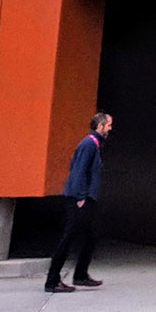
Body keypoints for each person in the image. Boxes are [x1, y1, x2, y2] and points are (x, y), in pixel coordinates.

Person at [45, 112, 111, 294]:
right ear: (100, 127)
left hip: (86, 198)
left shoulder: (94, 145)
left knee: (93, 234)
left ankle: (80, 275)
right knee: (68, 238)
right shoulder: (89, 144)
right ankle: (52, 281)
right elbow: (78, 172)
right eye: (108, 125)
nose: (110, 128)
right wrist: (81, 197)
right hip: (79, 199)